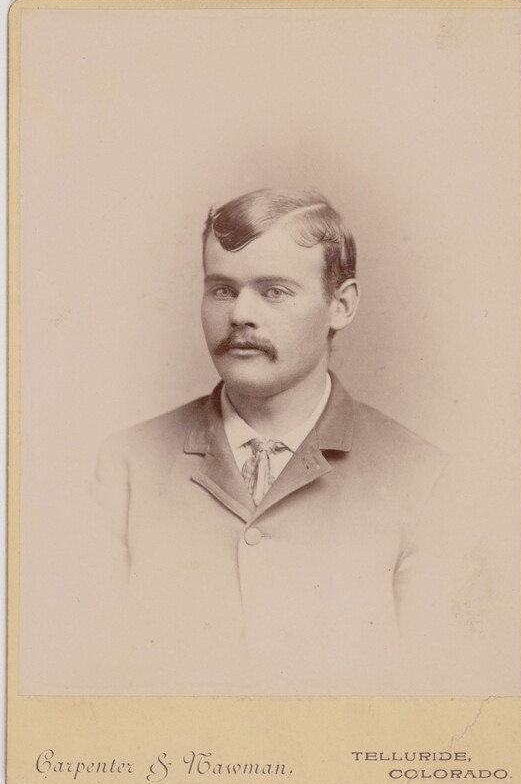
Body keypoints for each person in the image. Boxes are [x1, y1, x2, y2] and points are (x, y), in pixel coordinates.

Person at [88, 189, 452, 695]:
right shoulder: (126, 465)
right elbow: (87, 677)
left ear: (341, 306)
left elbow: (439, 695)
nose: (239, 314)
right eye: (221, 289)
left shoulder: (423, 479)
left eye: (274, 291)